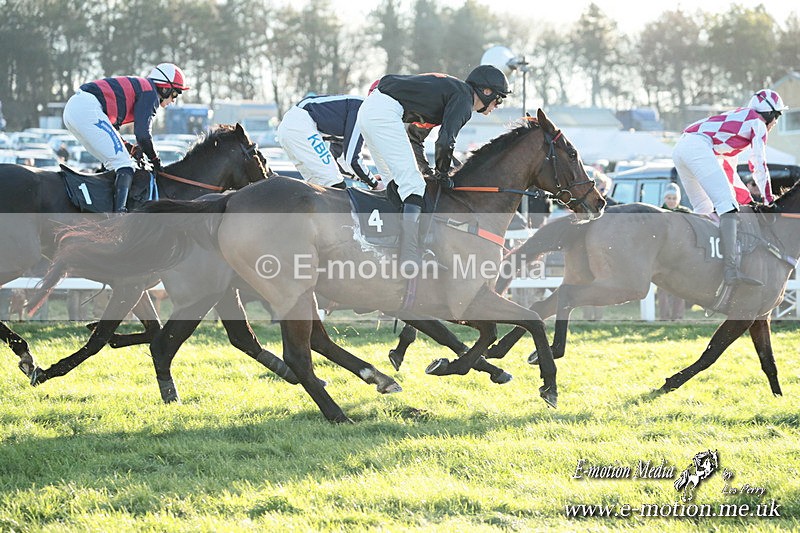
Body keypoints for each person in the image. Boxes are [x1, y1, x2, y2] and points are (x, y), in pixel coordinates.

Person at [357, 65, 509, 274]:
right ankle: (410, 256)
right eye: (498, 99)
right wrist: (443, 174)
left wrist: (429, 172)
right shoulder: (464, 100)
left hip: (370, 111)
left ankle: (391, 245)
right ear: (486, 91)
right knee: (413, 187)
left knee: (397, 185)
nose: (497, 106)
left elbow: (415, 138)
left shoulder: (450, 94)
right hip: (382, 113)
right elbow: (445, 142)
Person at [672, 88, 786, 287]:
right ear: (769, 114)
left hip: (680, 148)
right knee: (727, 206)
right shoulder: (757, 123)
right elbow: (758, 164)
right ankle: (730, 270)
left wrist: (748, 200)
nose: (775, 123)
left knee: (704, 210)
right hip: (696, 147)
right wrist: (768, 200)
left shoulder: (736, 127)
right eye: (777, 116)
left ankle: (698, 266)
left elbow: (729, 172)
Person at [62, 63, 189, 212]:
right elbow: (143, 135)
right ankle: (119, 214)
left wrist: (130, 149)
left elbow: (112, 134)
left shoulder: (141, 89)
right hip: (86, 108)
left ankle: (102, 208)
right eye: (175, 94)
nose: (173, 100)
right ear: (165, 88)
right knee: (124, 164)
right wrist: (155, 160)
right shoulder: (150, 92)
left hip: (75, 110)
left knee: (113, 163)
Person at [276, 94, 378, 189]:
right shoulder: (363, 110)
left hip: (288, 127)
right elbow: (353, 160)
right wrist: (375, 184)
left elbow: (340, 163)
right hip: (300, 125)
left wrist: (369, 179)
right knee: (335, 185)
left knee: (320, 189)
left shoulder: (348, 114)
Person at [658, 184, 691, 320]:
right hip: (663, 254)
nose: (671, 201)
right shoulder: (658, 212)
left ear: (678, 199)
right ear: (664, 198)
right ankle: (664, 316)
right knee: (662, 288)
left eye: (674, 198)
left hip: (680, 254)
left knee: (679, 287)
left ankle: (678, 316)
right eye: (669, 198)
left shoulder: (685, 213)